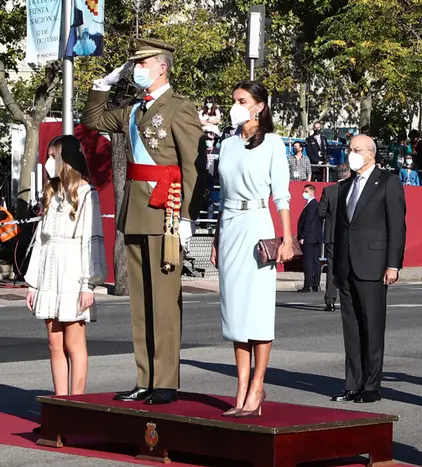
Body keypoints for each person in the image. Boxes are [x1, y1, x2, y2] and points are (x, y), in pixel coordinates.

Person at [82, 39, 206, 405]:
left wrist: (187, 216)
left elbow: (192, 167)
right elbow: (92, 119)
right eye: (134, 64)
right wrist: (104, 84)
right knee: (140, 303)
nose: (137, 69)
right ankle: (145, 378)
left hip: (165, 211)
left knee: (164, 302)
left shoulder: (179, 108)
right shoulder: (134, 110)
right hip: (136, 211)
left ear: (162, 67)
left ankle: (166, 380)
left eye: (143, 63)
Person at [210, 81, 294, 417]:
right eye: (234, 100)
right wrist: (216, 239)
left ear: (259, 106)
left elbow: (282, 195)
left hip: (259, 224)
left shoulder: (273, 143)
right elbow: (221, 197)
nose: (236, 106)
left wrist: (287, 239)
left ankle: (258, 385)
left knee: (257, 310)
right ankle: (241, 386)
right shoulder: (227, 145)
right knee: (234, 312)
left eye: (243, 101)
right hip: (230, 227)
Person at [24, 135, 108, 396]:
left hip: (73, 270)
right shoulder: (52, 192)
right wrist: (33, 283)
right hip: (50, 269)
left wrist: (88, 284)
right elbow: (41, 240)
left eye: (52, 156)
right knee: (54, 341)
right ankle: (59, 405)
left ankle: (77, 405)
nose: (48, 161)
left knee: (74, 342)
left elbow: (92, 239)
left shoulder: (86, 193)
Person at [331, 134, 406, 404]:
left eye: (357, 149)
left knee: (372, 327)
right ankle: (353, 382)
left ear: (371, 154)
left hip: (373, 265)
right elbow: (342, 228)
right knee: (351, 328)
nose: (351, 153)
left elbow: (397, 226)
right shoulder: (345, 186)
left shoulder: (387, 181)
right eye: (350, 149)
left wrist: (393, 264)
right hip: (346, 266)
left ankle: (372, 384)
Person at [318, 164, 349, 311]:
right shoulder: (352, 189)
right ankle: (348, 299)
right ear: (348, 173)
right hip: (348, 235)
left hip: (331, 235)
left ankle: (330, 300)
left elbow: (321, 212)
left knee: (331, 268)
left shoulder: (328, 190)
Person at [297, 184, 323, 292]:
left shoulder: (312, 205)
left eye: (306, 191)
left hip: (309, 237)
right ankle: (315, 284)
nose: (304, 193)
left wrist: (303, 235)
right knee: (315, 261)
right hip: (316, 237)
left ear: (312, 192)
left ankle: (308, 285)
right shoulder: (314, 204)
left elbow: (308, 221)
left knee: (308, 261)